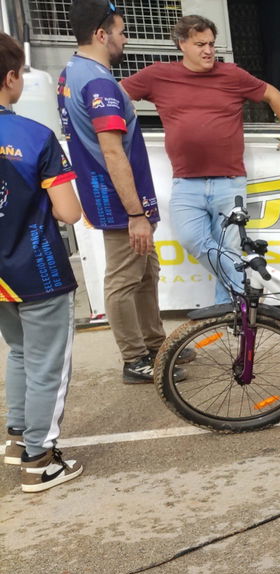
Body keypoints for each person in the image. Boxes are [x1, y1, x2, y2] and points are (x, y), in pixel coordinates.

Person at [121, 14, 280, 305]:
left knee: (229, 249)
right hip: (186, 182)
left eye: (211, 43)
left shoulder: (232, 74)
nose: (209, 50)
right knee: (193, 241)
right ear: (182, 44)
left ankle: (230, 315)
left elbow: (271, 94)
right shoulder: (158, 75)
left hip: (230, 182)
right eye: (200, 44)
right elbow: (116, 94)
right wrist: (112, 130)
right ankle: (245, 290)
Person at [58, 0, 174, 384]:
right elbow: (111, 151)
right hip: (119, 199)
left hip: (113, 195)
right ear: (101, 34)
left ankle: (156, 345)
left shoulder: (71, 72)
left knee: (146, 272)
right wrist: (136, 214)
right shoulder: (99, 82)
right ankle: (135, 358)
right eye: (122, 32)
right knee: (126, 278)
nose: (126, 39)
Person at [0, 32, 85, 491]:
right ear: (12, 78)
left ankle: (18, 439)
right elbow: (68, 211)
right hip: (38, 269)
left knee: (20, 353)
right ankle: (40, 457)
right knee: (47, 362)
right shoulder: (34, 135)